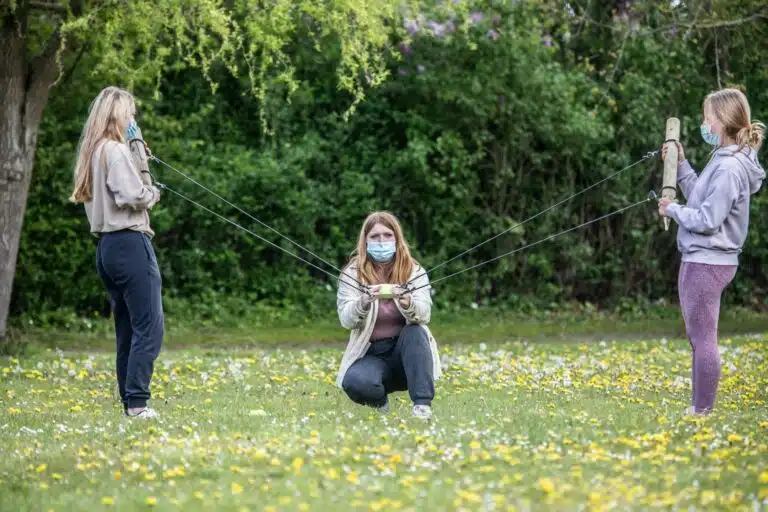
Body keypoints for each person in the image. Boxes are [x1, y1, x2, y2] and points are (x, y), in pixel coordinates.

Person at [659, 88, 765, 415]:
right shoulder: (723, 159)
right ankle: (698, 407)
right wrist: (682, 165)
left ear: (723, 121)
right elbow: (702, 199)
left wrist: (672, 210)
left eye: (708, 118)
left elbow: (707, 220)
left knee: (704, 339)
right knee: (699, 338)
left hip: (707, 261)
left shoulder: (730, 168)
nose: (704, 123)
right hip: (704, 259)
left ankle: (702, 410)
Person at [70, 86, 164, 419]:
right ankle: (137, 404)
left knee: (127, 330)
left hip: (107, 249)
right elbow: (133, 195)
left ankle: (130, 402)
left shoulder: (94, 151)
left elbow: (125, 184)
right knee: (149, 327)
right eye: (130, 114)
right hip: (130, 244)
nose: (132, 119)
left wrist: (138, 150)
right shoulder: (115, 150)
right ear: (118, 114)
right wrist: (153, 193)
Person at [336, 212, 442, 419]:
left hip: (408, 353)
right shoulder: (352, 273)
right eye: (375, 236)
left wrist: (408, 303)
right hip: (372, 354)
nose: (381, 241)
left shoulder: (414, 271)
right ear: (365, 241)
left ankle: (422, 407)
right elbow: (346, 320)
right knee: (355, 382)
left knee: (415, 331)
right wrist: (362, 302)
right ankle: (380, 404)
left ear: (397, 238)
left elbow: (424, 315)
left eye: (387, 235)